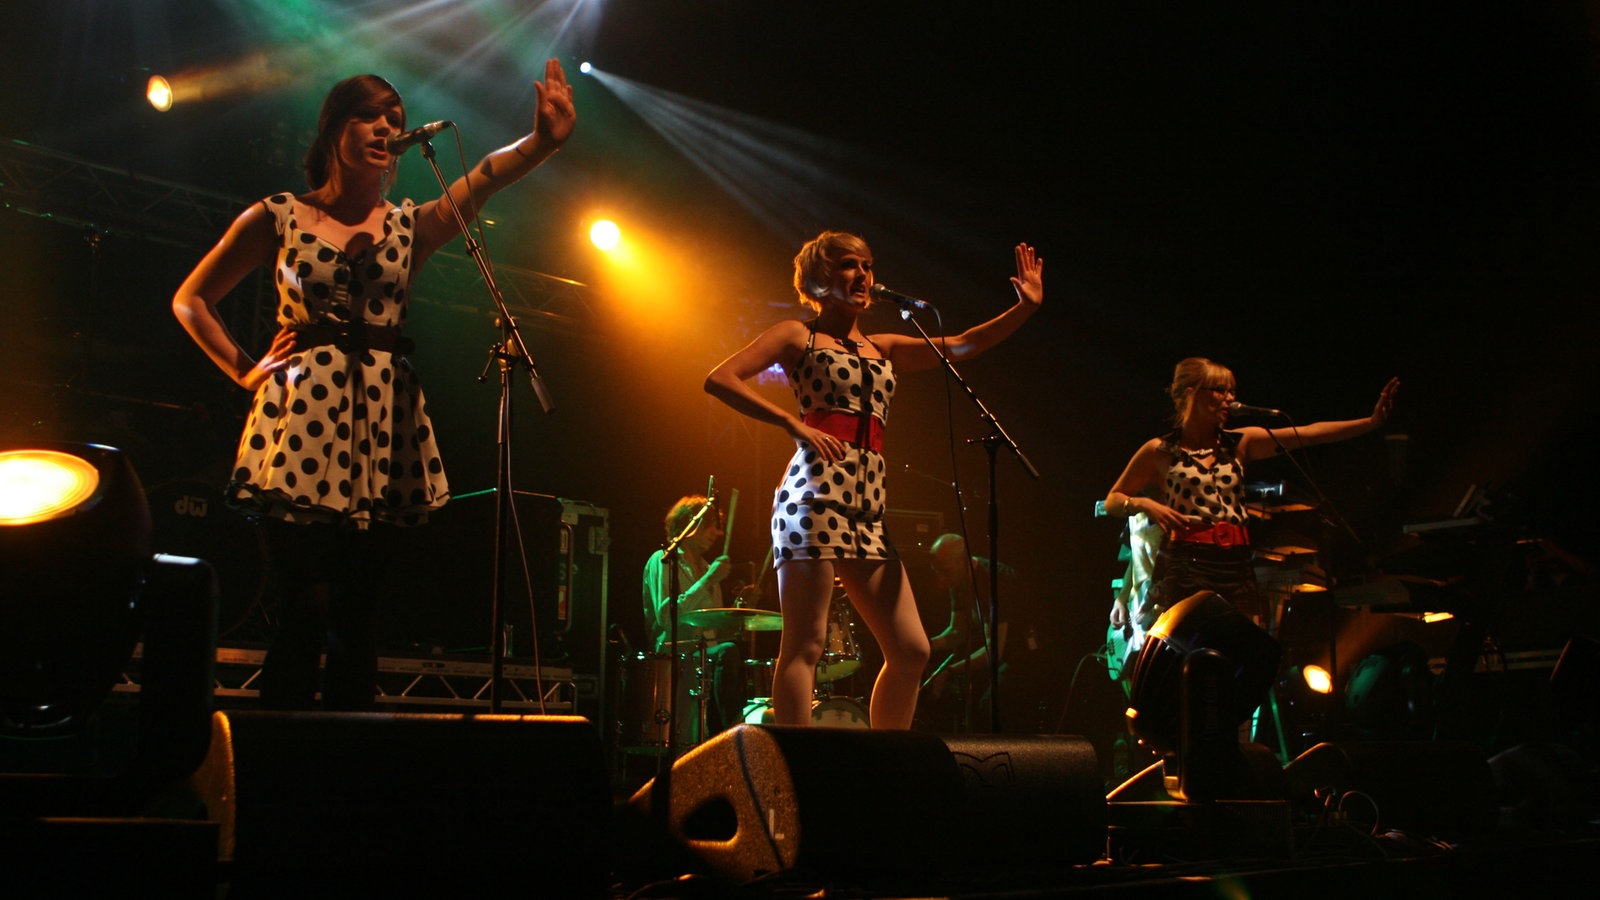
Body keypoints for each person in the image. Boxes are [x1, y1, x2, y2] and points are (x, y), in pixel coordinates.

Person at [171, 61, 577, 709]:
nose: (388, 126)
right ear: (335, 128)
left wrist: (544, 142)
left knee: (358, 616)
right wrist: (245, 370)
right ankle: (277, 767)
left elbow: (482, 181)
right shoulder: (278, 216)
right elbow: (192, 299)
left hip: (382, 424)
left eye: (396, 118)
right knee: (304, 606)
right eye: (371, 114)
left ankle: (346, 776)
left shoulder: (407, 226)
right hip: (299, 420)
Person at [705, 233, 1043, 728]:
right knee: (806, 644)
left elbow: (967, 343)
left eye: (866, 265)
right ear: (818, 280)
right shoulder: (798, 336)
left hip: (868, 508)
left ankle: (885, 765)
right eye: (848, 265)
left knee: (911, 650)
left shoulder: (884, 347)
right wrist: (793, 424)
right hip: (813, 497)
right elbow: (720, 377)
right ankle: (799, 769)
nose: (862, 275)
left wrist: (1024, 308)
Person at [1104, 358, 1400, 627]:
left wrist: (1370, 423)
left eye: (1231, 391)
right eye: (1220, 390)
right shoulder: (1160, 450)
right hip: (1189, 562)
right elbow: (1113, 500)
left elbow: (1308, 434)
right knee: (1193, 647)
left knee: (1242, 648)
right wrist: (1142, 503)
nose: (1229, 398)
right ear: (1192, 392)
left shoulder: (1240, 442)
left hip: (1236, 561)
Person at [640, 494, 743, 734]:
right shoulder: (664, 560)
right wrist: (708, 581)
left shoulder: (709, 568)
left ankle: (729, 733)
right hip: (675, 663)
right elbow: (665, 616)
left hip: (706, 665)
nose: (717, 534)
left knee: (727, 651)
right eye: (711, 526)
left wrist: (741, 609)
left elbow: (714, 629)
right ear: (690, 523)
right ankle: (731, 728)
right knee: (726, 652)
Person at [921, 532, 1029, 732]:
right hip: (998, 658)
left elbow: (993, 651)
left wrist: (949, 671)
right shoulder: (958, 582)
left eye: (946, 572)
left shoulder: (995, 581)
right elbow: (957, 632)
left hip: (1024, 656)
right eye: (938, 573)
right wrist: (921, 647)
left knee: (986, 709)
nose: (942, 580)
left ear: (965, 562)